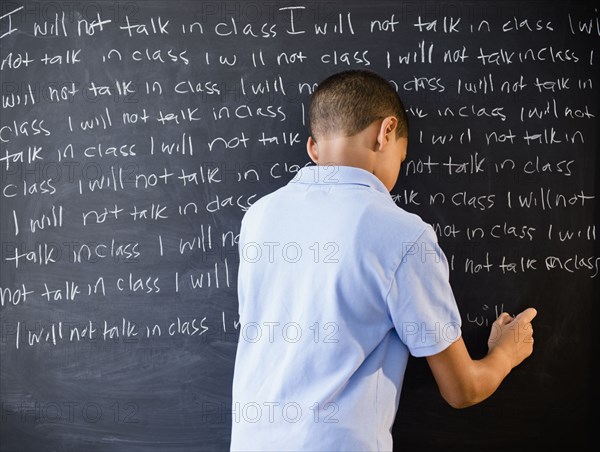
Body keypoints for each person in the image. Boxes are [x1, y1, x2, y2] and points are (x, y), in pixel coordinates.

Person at [230, 69, 536, 452]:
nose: (396, 176)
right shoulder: (402, 234)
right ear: (386, 131)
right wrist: (507, 351)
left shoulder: (259, 215)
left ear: (314, 148)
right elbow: (462, 390)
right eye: (402, 159)